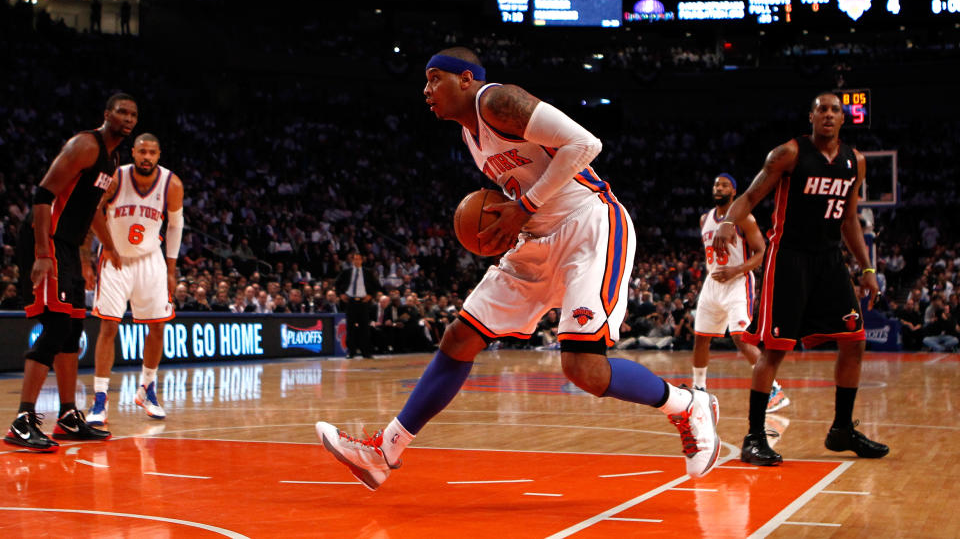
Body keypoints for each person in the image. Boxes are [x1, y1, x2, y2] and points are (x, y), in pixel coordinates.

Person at [316, 47, 720, 489]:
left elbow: (587, 144)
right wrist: (515, 216)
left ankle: (686, 404)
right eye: (425, 81)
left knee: (583, 368)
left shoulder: (497, 102)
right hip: (536, 235)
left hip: (589, 224)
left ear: (466, 79)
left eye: (435, 79)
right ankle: (384, 451)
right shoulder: (470, 136)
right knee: (460, 336)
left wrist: (523, 206)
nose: (426, 90)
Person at [713, 92, 889, 465]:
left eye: (834, 110)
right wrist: (728, 224)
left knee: (854, 342)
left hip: (829, 261)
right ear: (811, 116)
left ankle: (842, 429)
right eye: (821, 109)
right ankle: (754, 437)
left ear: (844, 119)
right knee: (775, 350)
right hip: (788, 258)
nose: (828, 115)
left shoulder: (854, 161)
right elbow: (749, 196)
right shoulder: (789, 154)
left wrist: (868, 268)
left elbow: (850, 220)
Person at [4, 92, 133, 451]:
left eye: (133, 114)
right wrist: (44, 254)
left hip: (69, 246)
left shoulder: (112, 160)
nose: (127, 117)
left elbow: (91, 209)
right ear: (107, 114)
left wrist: (103, 249)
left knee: (73, 328)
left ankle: (66, 415)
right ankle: (22, 419)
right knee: (57, 324)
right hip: (45, 238)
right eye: (121, 111)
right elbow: (43, 195)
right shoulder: (85, 145)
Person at [87, 133, 184, 425]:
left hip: (151, 259)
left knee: (157, 327)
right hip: (116, 260)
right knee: (108, 326)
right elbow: (92, 209)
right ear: (133, 153)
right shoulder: (115, 177)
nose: (146, 157)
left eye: (152, 152)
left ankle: (147, 388)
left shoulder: (172, 183)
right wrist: (107, 247)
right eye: (142, 151)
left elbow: (175, 227)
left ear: (159, 155)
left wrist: (170, 269)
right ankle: (100, 400)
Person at [692, 173, 790, 412]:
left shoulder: (744, 218)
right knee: (701, 338)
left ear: (734, 192)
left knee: (741, 337)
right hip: (713, 282)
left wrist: (736, 269)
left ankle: (775, 391)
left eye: (725, 185)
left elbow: (761, 252)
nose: (719, 187)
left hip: (738, 281)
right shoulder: (704, 218)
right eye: (716, 184)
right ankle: (699, 389)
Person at [335, 251, 381, 358]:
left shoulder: (367, 272)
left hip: (363, 302)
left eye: (359, 259)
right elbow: (337, 283)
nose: (357, 261)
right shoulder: (347, 272)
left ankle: (366, 352)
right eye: (355, 259)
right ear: (352, 260)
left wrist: (370, 295)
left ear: (362, 260)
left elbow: (376, 285)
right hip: (350, 301)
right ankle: (351, 351)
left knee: (364, 327)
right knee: (350, 327)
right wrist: (341, 294)